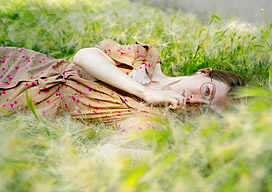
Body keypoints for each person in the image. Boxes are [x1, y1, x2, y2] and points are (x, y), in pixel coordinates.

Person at [0, 39, 244, 131]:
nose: (196, 102)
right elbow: (84, 56)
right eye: (206, 91)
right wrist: (145, 92)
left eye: (205, 109)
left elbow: (111, 154)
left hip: (20, 105)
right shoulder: (145, 59)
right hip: (22, 67)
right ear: (203, 73)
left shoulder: (156, 120)